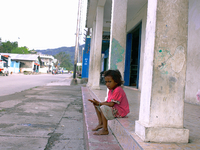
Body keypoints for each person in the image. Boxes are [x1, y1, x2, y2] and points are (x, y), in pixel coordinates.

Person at [88, 69, 130, 135]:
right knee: (97, 105)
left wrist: (100, 103)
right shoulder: (111, 90)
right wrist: (98, 103)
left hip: (121, 111)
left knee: (103, 107)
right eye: (106, 82)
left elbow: (111, 104)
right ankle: (101, 124)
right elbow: (108, 101)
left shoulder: (118, 90)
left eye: (109, 81)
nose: (107, 84)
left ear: (116, 81)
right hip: (115, 109)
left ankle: (105, 129)